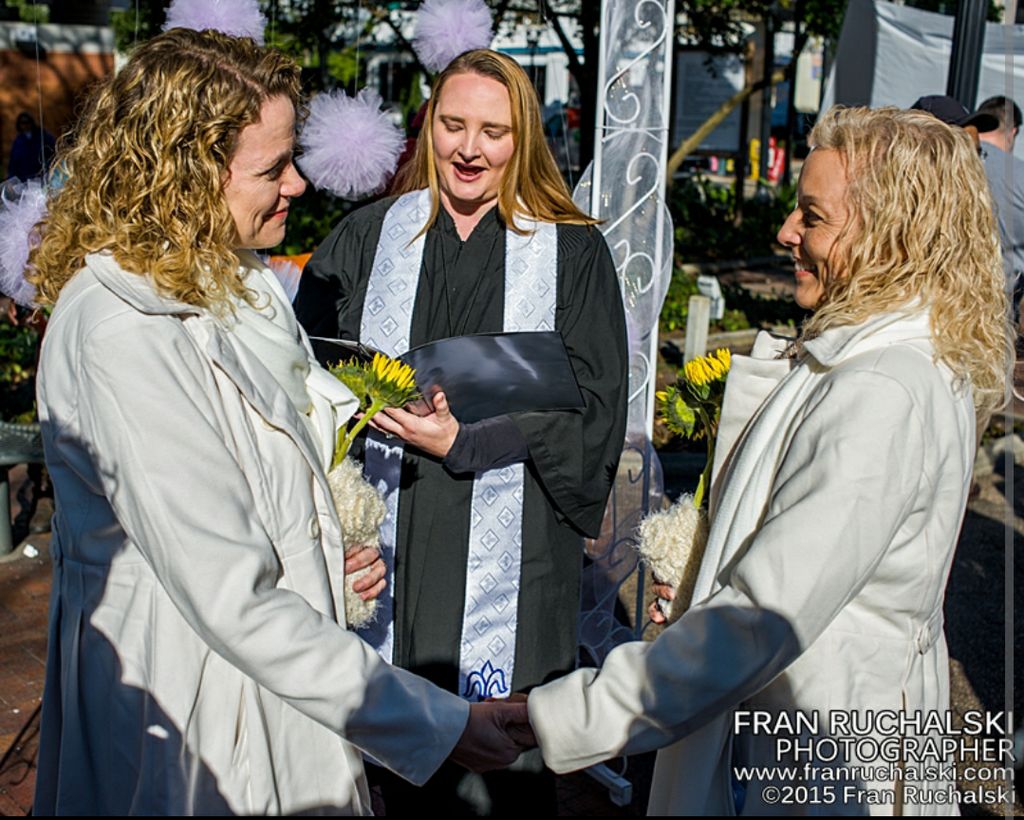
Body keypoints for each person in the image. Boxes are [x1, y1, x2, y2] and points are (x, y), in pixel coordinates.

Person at [29, 29, 528, 816]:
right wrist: (438, 722)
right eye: (272, 168)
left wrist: (327, 545)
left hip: (278, 682)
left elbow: (269, 474)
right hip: (187, 706)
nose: (297, 183)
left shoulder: (245, 290)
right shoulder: (121, 328)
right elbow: (227, 590)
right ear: (185, 179)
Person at [521, 106, 1012, 814]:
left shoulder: (881, 390)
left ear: (889, 236)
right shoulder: (886, 361)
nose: (785, 232)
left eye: (812, 216)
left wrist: (565, 718)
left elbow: (762, 616)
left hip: (824, 755)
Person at [294, 48, 628, 812]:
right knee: (385, 773)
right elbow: (301, 379)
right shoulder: (366, 237)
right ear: (428, 126)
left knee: (501, 782)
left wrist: (469, 439)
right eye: (452, 125)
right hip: (389, 544)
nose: (470, 148)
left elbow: (597, 400)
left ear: (524, 141)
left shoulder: (573, 254)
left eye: (494, 130)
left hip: (516, 557)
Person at [975, 96, 1024, 316]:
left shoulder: (949, 160)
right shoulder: (1019, 175)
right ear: (1013, 132)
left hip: (940, 297)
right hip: (1000, 306)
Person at [7, 111, 56, 181]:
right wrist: (11, 178)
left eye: (27, 122)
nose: (25, 125)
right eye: (23, 123)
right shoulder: (18, 141)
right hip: (24, 179)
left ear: (31, 122)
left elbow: (54, 151)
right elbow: (13, 163)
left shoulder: (43, 136)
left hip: (41, 177)